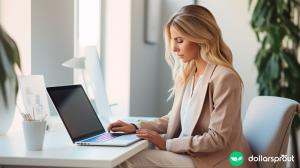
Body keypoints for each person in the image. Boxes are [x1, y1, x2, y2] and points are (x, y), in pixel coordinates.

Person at [108, 5, 257, 168]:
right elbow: (173, 119)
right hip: (191, 155)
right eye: (172, 40)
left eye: (180, 40)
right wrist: (135, 126)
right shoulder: (188, 74)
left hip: (215, 161)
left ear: (201, 37)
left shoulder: (225, 78)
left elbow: (217, 139)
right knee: (131, 154)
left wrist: (167, 144)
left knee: (127, 161)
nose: (173, 48)